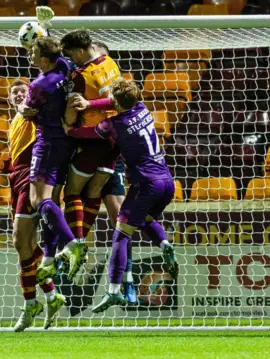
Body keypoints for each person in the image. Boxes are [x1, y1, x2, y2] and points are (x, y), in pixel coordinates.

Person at [63, 78, 179, 313]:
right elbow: (113, 100)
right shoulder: (142, 108)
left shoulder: (113, 125)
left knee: (121, 235)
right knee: (144, 220)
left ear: (117, 101)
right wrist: (90, 103)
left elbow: (85, 134)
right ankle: (164, 243)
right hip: (167, 181)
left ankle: (113, 291)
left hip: (145, 184)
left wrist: (69, 130)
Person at [0, 79, 66, 331]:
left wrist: (29, 106)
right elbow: (15, 154)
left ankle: (33, 303)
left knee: (20, 242)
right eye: (14, 92)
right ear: (9, 99)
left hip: (33, 177)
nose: (19, 94)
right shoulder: (14, 122)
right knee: (25, 245)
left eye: (24, 91)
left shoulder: (33, 113)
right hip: (16, 179)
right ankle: (50, 297)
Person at [62, 34, 137, 303]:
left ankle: (125, 278)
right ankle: (77, 254)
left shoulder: (80, 75)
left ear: (82, 51)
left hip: (91, 140)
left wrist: (70, 128)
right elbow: (119, 100)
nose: (71, 60)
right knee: (95, 197)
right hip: (111, 143)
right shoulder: (112, 65)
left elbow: (72, 110)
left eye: (72, 55)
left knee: (114, 214)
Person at [20, 37, 88, 283]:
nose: (30, 56)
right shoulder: (65, 66)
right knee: (53, 200)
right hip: (67, 142)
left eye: (34, 54)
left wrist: (20, 109)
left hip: (47, 143)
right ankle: (49, 258)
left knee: (38, 199)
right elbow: (57, 51)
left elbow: (27, 112)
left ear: (45, 59)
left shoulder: (39, 85)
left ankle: (72, 244)